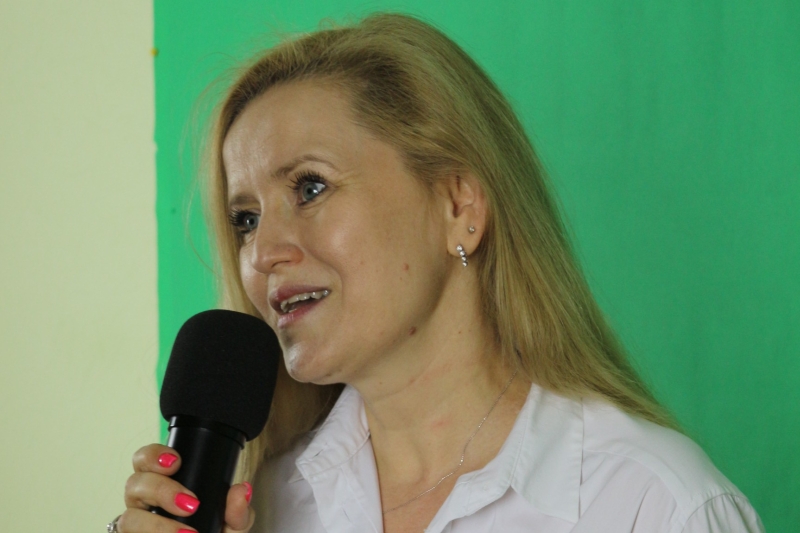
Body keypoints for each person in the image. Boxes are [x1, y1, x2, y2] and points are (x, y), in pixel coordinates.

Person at [115, 12, 764, 533]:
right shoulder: (266, 506)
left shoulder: (656, 505)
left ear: (459, 208)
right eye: (246, 219)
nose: (263, 253)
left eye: (310, 187)